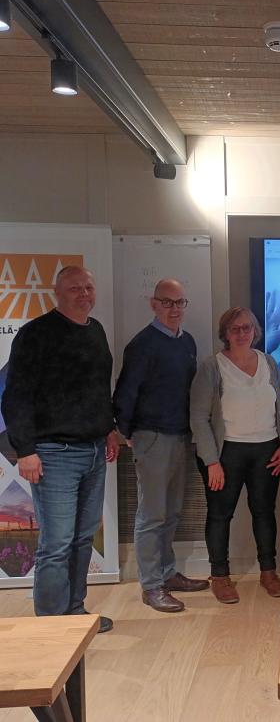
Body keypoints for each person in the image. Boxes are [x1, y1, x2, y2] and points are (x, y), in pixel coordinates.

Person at [1, 266, 118, 632]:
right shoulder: (35, 335)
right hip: (53, 453)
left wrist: (109, 428)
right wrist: (25, 451)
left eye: (88, 286)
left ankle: (75, 613)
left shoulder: (95, 330)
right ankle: (51, 627)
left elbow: (99, 388)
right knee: (57, 543)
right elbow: (15, 396)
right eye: (74, 288)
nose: (83, 293)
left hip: (95, 451)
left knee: (83, 537)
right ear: (57, 292)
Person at [113, 278, 209, 613]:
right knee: (152, 515)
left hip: (181, 435)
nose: (174, 309)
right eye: (167, 302)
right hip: (151, 436)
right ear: (153, 304)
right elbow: (125, 392)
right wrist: (126, 431)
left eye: (180, 303)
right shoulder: (142, 345)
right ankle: (151, 585)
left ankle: (168, 574)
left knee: (172, 512)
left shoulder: (188, 342)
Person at [190, 306, 280, 603]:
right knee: (221, 515)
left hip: (268, 450)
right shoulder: (212, 367)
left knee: (264, 512)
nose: (242, 333)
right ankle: (220, 576)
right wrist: (211, 461)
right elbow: (198, 418)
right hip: (226, 454)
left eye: (247, 327)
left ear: (256, 331)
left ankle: (268, 572)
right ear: (225, 334)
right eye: (235, 329)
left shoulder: (269, 362)